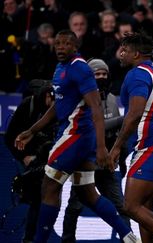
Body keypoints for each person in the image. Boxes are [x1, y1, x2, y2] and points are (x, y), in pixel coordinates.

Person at [14, 29, 136, 243]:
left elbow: (96, 107)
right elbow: (58, 107)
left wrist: (101, 148)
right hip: (75, 135)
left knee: (49, 186)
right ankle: (127, 235)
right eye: (57, 43)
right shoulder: (61, 68)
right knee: (88, 192)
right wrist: (32, 130)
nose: (60, 47)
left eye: (65, 44)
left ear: (75, 46)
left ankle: (39, 240)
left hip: (75, 135)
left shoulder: (80, 68)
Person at [107, 32, 153, 243]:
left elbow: (135, 113)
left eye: (125, 51)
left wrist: (117, 146)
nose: (120, 54)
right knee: (144, 208)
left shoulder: (137, 74)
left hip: (152, 145)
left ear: (136, 54)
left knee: (130, 206)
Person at [61, 58, 130, 242]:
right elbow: (90, 126)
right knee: (74, 207)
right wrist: (121, 120)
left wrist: (121, 157)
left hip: (106, 163)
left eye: (104, 74)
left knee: (122, 207)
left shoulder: (112, 99)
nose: (101, 77)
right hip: (85, 162)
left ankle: (128, 239)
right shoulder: (81, 98)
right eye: (96, 74)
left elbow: (116, 134)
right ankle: (67, 240)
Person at [4, 79, 55, 243]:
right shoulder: (28, 105)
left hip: (48, 158)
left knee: (44, 198)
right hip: (28, 157)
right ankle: (29, 239)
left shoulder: (59, 109)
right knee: (36, 198)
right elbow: (9, 136)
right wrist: (24, 157)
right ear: (48, 95)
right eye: (54, 101)